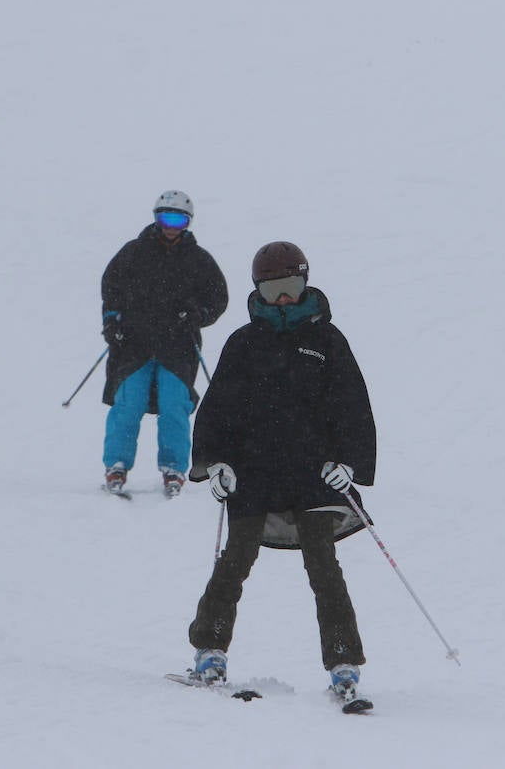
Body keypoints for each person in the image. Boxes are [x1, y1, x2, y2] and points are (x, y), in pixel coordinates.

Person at [185, 241, 377, 710]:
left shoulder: (328, 341)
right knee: (234, 561)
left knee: (324, 569)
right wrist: (216, 461)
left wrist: (349, 463)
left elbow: (353, 407)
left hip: (315, 473)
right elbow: (217, 411)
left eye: (292, 287)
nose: (285, 299)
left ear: (306, 283)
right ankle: (209, 652)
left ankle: (343, 665)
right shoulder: (243, 343)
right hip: (254, 472)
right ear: (259, 292)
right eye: (275, 290)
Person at [100, 190, 227, 498]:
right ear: (156, 218)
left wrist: (197, 315)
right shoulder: (134, 252)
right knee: (128, 404)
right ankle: (116, 465)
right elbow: (111, 287)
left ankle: (174, 468)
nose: (171, 226)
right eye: (165, 218)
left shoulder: (199, 260)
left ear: (188, 223)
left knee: (174, 407)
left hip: (178, 348)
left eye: (178, 219)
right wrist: (113, 321)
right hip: (134, 345)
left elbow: (218, 298)